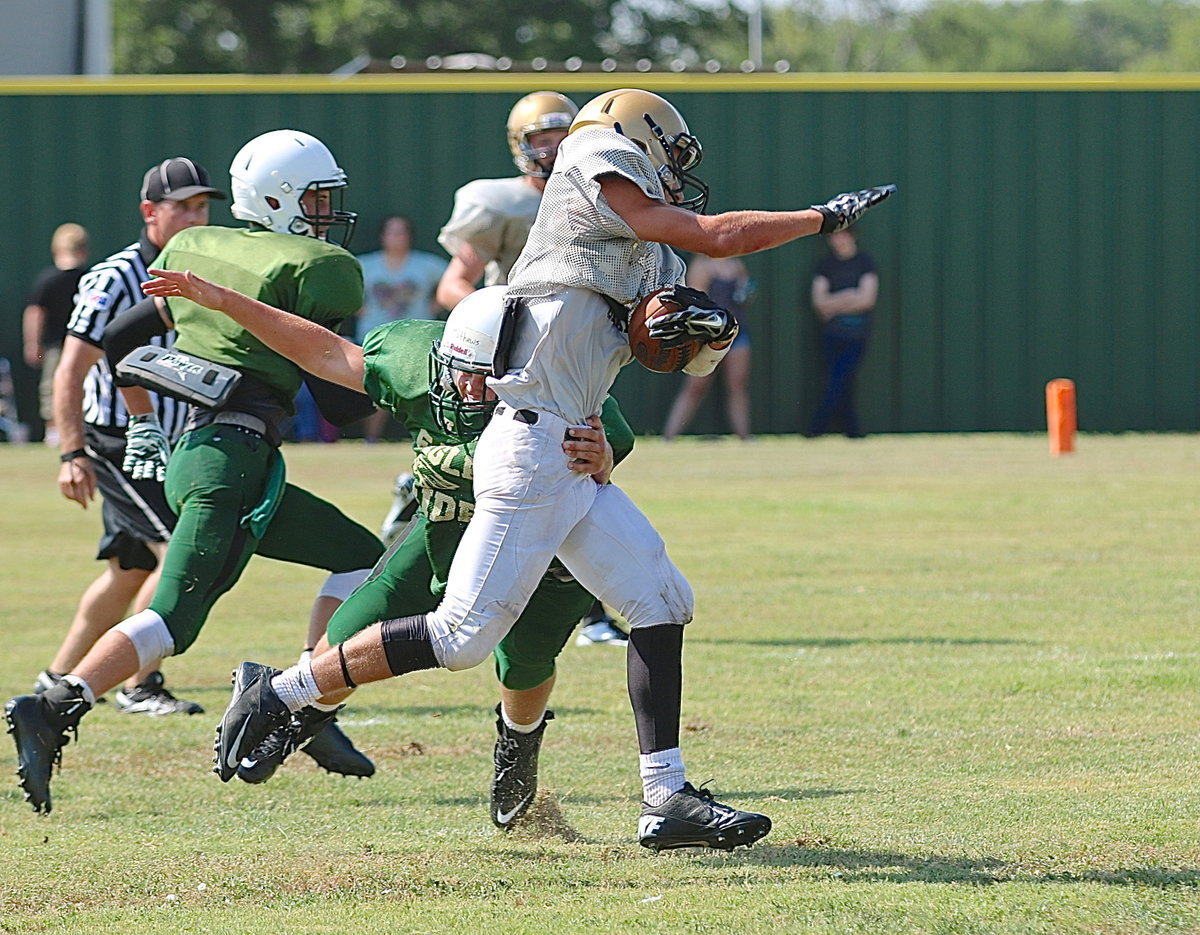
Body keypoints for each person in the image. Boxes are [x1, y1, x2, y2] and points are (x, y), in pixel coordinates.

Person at [213, 88, 894, 851]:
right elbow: (714, 233)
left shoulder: (646, 252)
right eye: (668, 151)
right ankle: (282, 690)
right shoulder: (586, 162)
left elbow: (667, 342)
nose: (675, 170)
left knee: (662, 597)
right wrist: (821, 219)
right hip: (530, 445)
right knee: (463, 635)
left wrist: (691, 336)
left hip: (570, 445)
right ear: (633, 138)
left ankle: (665, 798)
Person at [131, 279, 630, 829]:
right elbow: (325, 351)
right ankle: (294, 715)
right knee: (350, 628)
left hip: (542, 547)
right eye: (459, 370)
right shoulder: (413, 358)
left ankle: (518, 748)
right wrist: (228, 302)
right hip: (444, 525)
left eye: (486, 379)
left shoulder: (562, 388)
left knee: (524, 663)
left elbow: (610, 453)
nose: (467, 388)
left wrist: (601, 454)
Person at [5, 130, 385, 815]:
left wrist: (145, 418)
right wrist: (392, 372)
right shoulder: (314, 268)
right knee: (173, 614)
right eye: (319, 197)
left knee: (361, 557)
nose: (331, 212)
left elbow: (121, 340)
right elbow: (338, 403)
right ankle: (57, 702)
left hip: (205, 454)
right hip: (229, 463)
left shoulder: (202, 249)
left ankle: (305, 705)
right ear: (279, 199)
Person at [429, 89, 627, 649]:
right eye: (542, 139)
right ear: (521, 147)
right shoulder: (502, 204)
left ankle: (583, 607)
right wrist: (492, 330)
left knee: (598, 456)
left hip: (569, 362)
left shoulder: (599, 199)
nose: (555, 149)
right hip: (507, 367)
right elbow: (453, 284)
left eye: (564, 136)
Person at [41, 160, 218, 717]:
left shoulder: (198, 273)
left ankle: (56, 678)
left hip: (172, 438)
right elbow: (70, 369)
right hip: (122, 440)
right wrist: (72, 452)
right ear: (150, 213)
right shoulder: (114, 278)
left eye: (201, 207)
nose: (194, 217)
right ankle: (140, 682)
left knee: (130, 570)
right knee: (179, 554)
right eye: (181, 207)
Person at [354, 214, 448, 443]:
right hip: (375, 338)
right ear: (382, 236)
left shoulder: (426, 264)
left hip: (418, 338)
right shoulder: (366, 264)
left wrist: (434, 305)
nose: (397, 237)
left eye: (402, 232)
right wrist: (359, 308)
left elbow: (452, 280)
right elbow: (342, 287)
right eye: (392, 232)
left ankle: (429, 438)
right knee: (378, 389)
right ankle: (371, 439)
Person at [661, 253, 755, 441]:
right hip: (707, 336)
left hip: (737, 332)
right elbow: (697, 304)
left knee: (738, 385)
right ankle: (669, 437)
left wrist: (746, 292)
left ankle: (745, 437)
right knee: (695, 387)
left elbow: (746, 293)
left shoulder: (736, 264)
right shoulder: (701, 266)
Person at [806, 226, 878, 439]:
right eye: (834, 236)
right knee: (840, 381)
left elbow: (867, 299)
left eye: (842, 236)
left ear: (852, 237)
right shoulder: (825, 266)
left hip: (857, 334)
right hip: (831, 334)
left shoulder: (865, 263)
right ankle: (853, 431)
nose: (838, 240)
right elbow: (819, 303)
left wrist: (835, 302)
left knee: (839, 379)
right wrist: (851, 296)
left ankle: (817, 427)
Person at [23, 223, 90, 446]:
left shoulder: (47, 280)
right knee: (83, 384)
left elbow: (35, 313)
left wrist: (33, 344)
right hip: (84, 345)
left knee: (53, 386)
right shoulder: (90, 278)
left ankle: (54, 430)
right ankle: (76, 429)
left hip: (55, 346)